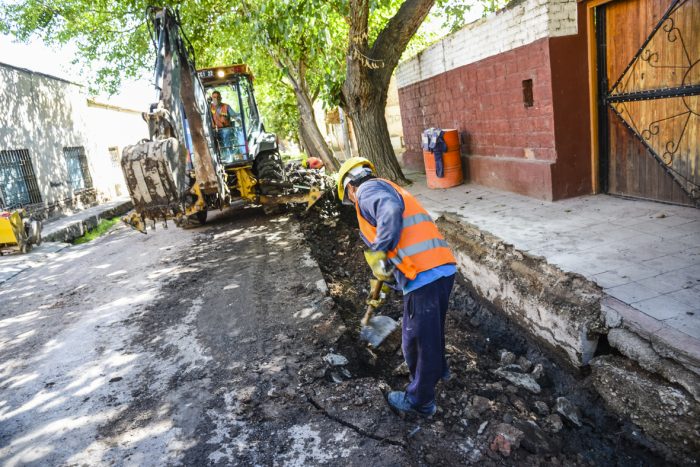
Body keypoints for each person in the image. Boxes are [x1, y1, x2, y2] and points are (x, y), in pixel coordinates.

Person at [336, 157, 457, 417]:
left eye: (349, 198)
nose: (352, 202)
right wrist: (388, 278)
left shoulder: (367, 191)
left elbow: (388, 211)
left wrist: (379, 251)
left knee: (415, 342)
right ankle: (440, 369)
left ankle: (420, 402)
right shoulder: (387, 186)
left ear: (350, 188)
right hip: (441, 267)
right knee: (431, 331)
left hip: (424, 275)